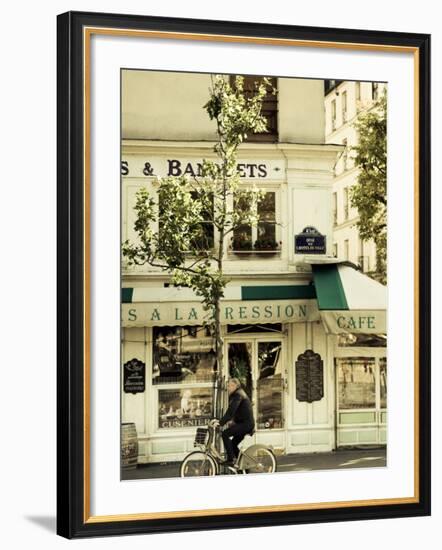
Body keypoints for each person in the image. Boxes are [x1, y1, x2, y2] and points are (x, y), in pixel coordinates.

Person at [218, 378, 255, 466]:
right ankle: (242, 466)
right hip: (244, 423)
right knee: (233, 444)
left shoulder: (238, 395)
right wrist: (226, 421)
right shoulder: (237, 394)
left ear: (235, 386)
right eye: (228, 385)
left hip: (246, 424)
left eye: (230, 386)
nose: (228, 388)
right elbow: (234, 412)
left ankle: (231, 460)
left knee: (225, 434)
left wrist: (220, 423)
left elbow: (231, 412)